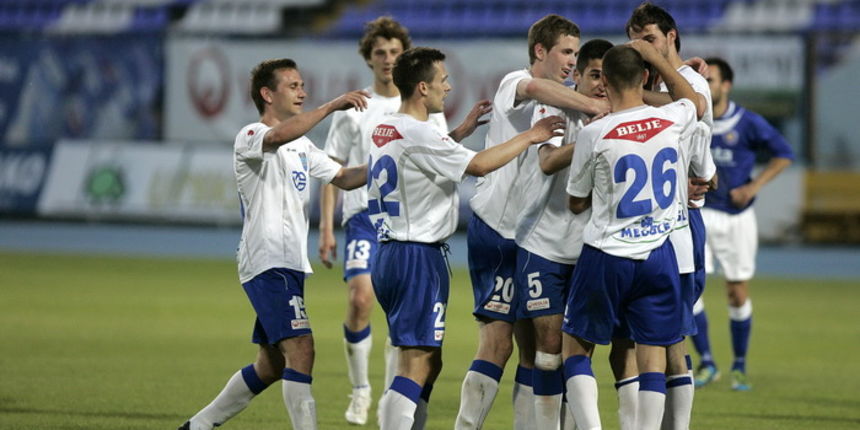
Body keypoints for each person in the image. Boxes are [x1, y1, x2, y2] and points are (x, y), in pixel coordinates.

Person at [370, 47, 564, 430]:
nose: (448, 85)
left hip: (389, 252)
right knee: (417, 362)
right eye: (442, 79)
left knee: (429, 360)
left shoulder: (386, 127)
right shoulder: (423, 132)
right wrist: (531, 136)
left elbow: (424, 155)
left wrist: (457, 133)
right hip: (416, 257)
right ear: (422, 87)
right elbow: (477, 165)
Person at [178, 58, 369, 430]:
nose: (303, 92)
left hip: (290, 264)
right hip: (267, 262)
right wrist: (331, 106)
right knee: (302, 349)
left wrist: (391, 162)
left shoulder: (303, 146)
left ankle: (198, 426)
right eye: (294, 86)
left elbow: (344, 177)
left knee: (271, 364)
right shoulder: (250, 136)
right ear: (268, 94)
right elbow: (278, 137)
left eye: (302, 86)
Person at [455, 14, 609, 430]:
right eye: (565, 52)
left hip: (529, 237)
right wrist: (597, 105)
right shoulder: (515, 83)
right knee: (497, 344)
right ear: (540, 51)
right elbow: (536, 87)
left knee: (536, 348)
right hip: (497, 230)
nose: (570, 62)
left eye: (576, 54)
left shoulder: (566, 105)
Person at [318, 16, 453, 426]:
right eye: (381, 52)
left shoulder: (425, 109)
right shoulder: (355, 110)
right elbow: (333, 171)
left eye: (395, 52)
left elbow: (444, 153)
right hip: (363, 218)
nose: (388, 59)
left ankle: (395, 399)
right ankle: (361, 390)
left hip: (408, 224)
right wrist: (326, 227)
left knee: (401, 321)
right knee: (360, 300)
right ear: (369, 58)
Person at [562, 43, 702, 430]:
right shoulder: (673, 118)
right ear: (644, 77)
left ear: (603, 82)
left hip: (607, 253)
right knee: (652, 354)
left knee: (575, 346)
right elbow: (694, 101)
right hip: (660, 252)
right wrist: (659, 59)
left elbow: (575, 202)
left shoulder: (595, 132)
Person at [511, 38, 613, 430]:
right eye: (593, 75)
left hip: (592, 251)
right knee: (548, 352)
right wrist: (590, 135)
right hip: (545, 246)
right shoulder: (554, 106)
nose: (601, 85)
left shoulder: (619, 119)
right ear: (579, 76)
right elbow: (549, 160)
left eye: (607, 77)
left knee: (579, 356)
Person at [625, 3, 717, 428]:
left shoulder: (691, 83)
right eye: (636, 39)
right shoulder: (659, 80)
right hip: (646, 224)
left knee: (671, 340)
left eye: (650, 38)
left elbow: (692, 115)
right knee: (646, 339)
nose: (642, 47)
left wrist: (628, 90)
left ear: (671, 36)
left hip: (679, 223)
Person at [692, 56, 794, 391]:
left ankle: (738, 366)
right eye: (702, 80)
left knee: (736, 293)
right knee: (690, 290)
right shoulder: (692, 119)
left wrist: (753, 186)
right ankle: (707, 362)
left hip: (737, 219)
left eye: (712, 80)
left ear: (726, 85)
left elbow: (784, 154)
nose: (706, 86)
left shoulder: (748, 122)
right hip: (700, 213)